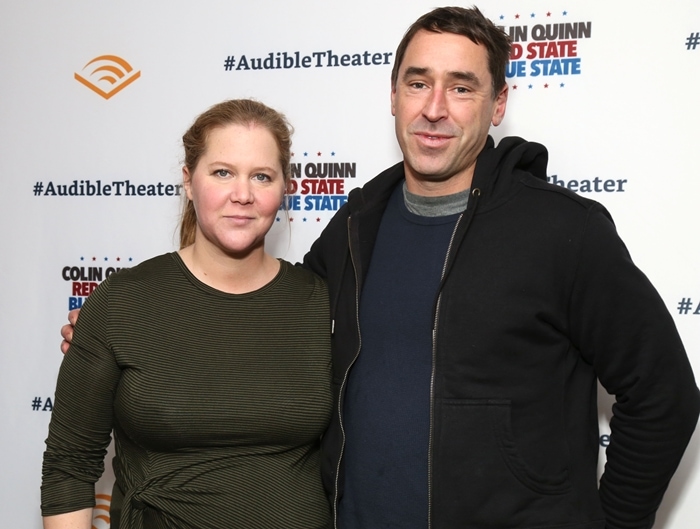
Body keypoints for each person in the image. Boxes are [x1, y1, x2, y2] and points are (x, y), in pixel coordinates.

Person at [61, 6, 700, 529]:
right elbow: (264, 308)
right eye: (418, 82)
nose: (435, 107)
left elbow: (663, 394)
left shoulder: (564, 229)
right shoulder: (357, 223)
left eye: (462, 86)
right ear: (392, 94)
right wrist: (123, 335)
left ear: (498, 104)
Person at [43, 99, 333, 529]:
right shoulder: (123, 301)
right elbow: (69, 467)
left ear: (284, 187)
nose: (243, 194)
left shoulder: (320, 301)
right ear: (188, 181)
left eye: (261, 176)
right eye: (222, 172)